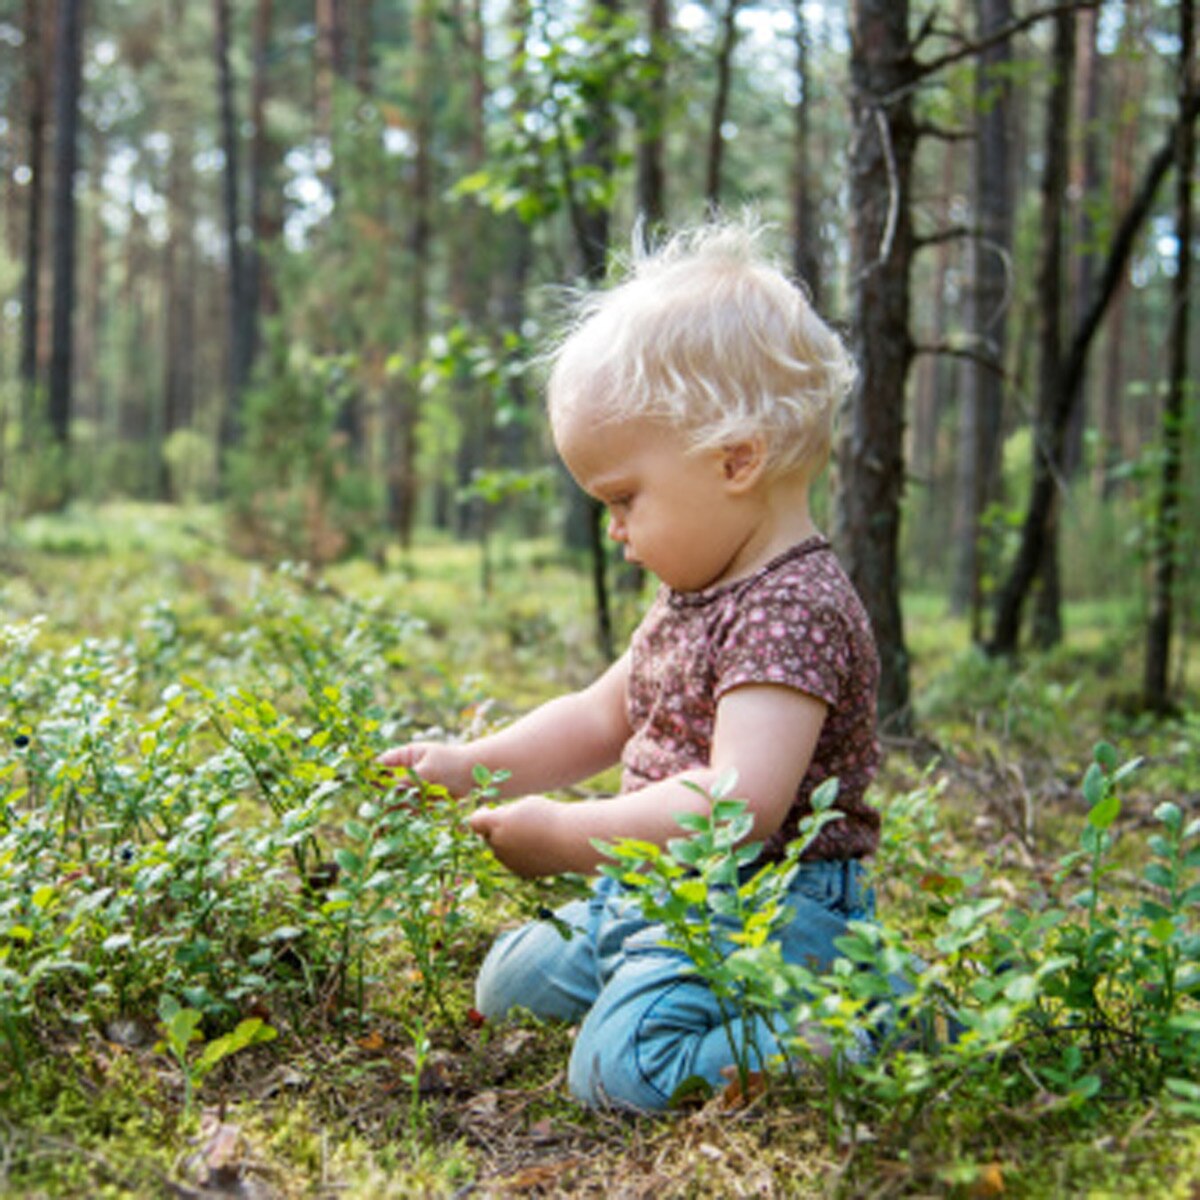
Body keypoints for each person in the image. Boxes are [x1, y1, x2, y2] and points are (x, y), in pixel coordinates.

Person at [378, 218, 883, 1112]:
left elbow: (736, 808)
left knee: (622, 1070)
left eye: (623, 498)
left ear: (736, 460)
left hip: (768, 912)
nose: (614, 531)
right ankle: (646, 969)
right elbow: (599, 715)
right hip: (657, 892)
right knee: (507, 987)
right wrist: (469, 766)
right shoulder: (699, 589)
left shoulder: (790, 610)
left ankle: (861, 1020)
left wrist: (571, 838)